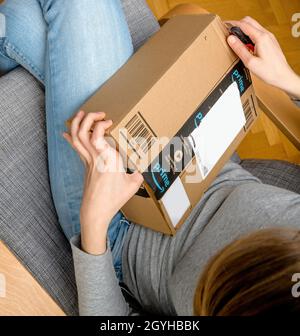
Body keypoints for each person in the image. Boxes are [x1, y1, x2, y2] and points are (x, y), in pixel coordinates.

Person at [0, 0, 299, 315]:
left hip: (119, 216)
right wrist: (290, 80)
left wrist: (94, 222)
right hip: (193, 151)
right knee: (31, 23)